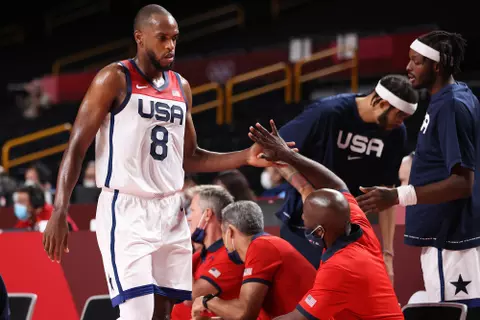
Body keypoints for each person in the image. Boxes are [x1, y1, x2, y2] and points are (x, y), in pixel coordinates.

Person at [41, 4, 288, 320]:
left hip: (171, 210)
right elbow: (76, 147)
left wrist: (245, 157)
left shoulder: (181, 87)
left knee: (163, 314)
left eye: (175, 38)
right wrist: (60, 209)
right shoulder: (114, 79)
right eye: (162, 38)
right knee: (137, 315)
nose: (171, 45)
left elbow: (190, 156)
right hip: (126, 209)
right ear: (140, 38)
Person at [356, 31, 480, 319]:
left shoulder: (452, 105)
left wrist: (397, 195)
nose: (408, 68)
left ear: (437, 66)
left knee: (454, 313)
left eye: (416, 61)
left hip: (449, 236)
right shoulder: (454, 97)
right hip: (450, 233)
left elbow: (463, 182)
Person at [248, 120, 404, 320]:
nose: (303, 220)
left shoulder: (340, 268)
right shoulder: (357, 227)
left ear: (319, 231)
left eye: (305, 220)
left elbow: (296, 318)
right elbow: (335, 183)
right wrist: (287, 156)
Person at [276, 74, 419, 279]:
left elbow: (386, 195)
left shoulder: (395, 134)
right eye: (400, 115)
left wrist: (387, 254)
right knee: (312, 297)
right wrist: (304, 189)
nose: (401, 123)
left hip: (348, 229)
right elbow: (274, 149)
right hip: (305, 223)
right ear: (381, 102)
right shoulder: (328, 113)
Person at [191, 200, 317, 320]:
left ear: (229, 232)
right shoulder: (264, 245)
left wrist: (206, 300)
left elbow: (244, 314)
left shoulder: (261, 247)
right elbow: (252, 312)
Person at [171, 185, 245, 320]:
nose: (188, 218)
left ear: (207, 215)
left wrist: (179, 249)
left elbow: (190, 296)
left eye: (192, 211)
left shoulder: (231, 256)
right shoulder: (199, 255)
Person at [14, 184, 78, 232]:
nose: (17, 205)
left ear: (37, 207)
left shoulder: (55, 214)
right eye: (17, 202)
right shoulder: (25, 217)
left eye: (22, 202)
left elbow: (72, 232)